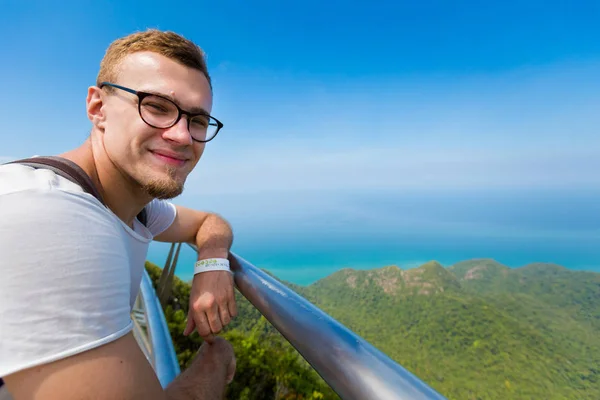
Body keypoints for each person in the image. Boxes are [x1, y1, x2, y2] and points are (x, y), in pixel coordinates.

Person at [0, 29, 238, 399]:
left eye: (198, 120)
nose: (182, 135)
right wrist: (217, 360)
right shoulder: (53, 220)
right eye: (157, 106)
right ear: (98, 108)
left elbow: (209, 223)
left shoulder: (133, 207)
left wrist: (212, 262)